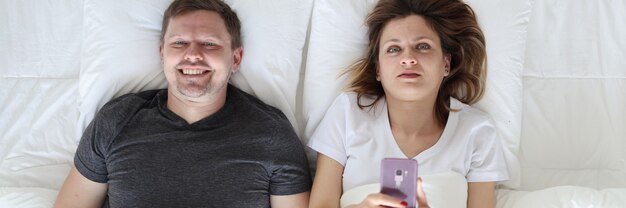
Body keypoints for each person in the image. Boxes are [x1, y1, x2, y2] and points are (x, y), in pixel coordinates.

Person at [54, 0, 311, 207]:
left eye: (209, 44)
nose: (193, 55)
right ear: (163, 54)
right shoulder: (117, 120)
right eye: (179, 43)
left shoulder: (272, 134)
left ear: (235, 58)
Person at [307, 0, 509, 207]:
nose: (408, 59)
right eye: (394, 49)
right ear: (378, 69)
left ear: (446, 64)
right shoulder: (348, 113)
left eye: (422, 46)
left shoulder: (477, 131)